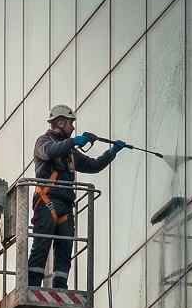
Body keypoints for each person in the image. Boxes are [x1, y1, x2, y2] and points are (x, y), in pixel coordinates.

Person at [29, 103, 126, 289]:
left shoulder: (70, 152)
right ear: (60, 122)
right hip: (47, 203)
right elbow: (51, 152)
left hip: (65, 206)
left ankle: (60, 285)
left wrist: (111, 153)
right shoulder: (43, 142)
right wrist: (74, 142)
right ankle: (32, 285)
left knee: (65, 249)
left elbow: (93, 165)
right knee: (41, 246)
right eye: (70, 123)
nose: (73, 127)